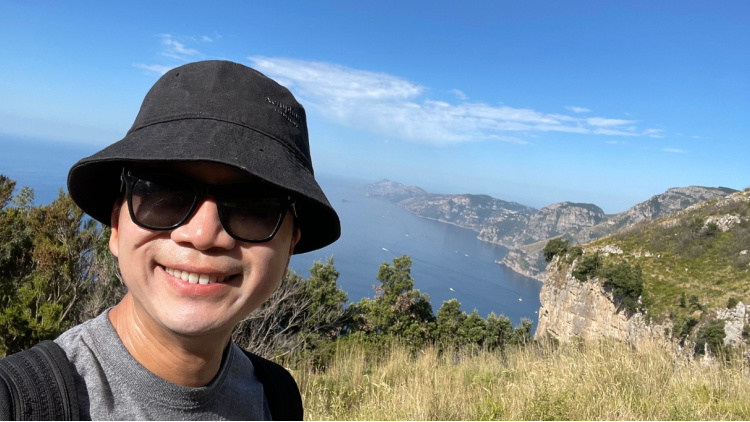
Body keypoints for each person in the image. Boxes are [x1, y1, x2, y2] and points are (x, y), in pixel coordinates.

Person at [1, 60, 340, 420]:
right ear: (117, 226)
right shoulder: (20, 404)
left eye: (254, 206)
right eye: (163, 193)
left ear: (288, 249)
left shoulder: (277, 399)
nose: (203, 234)